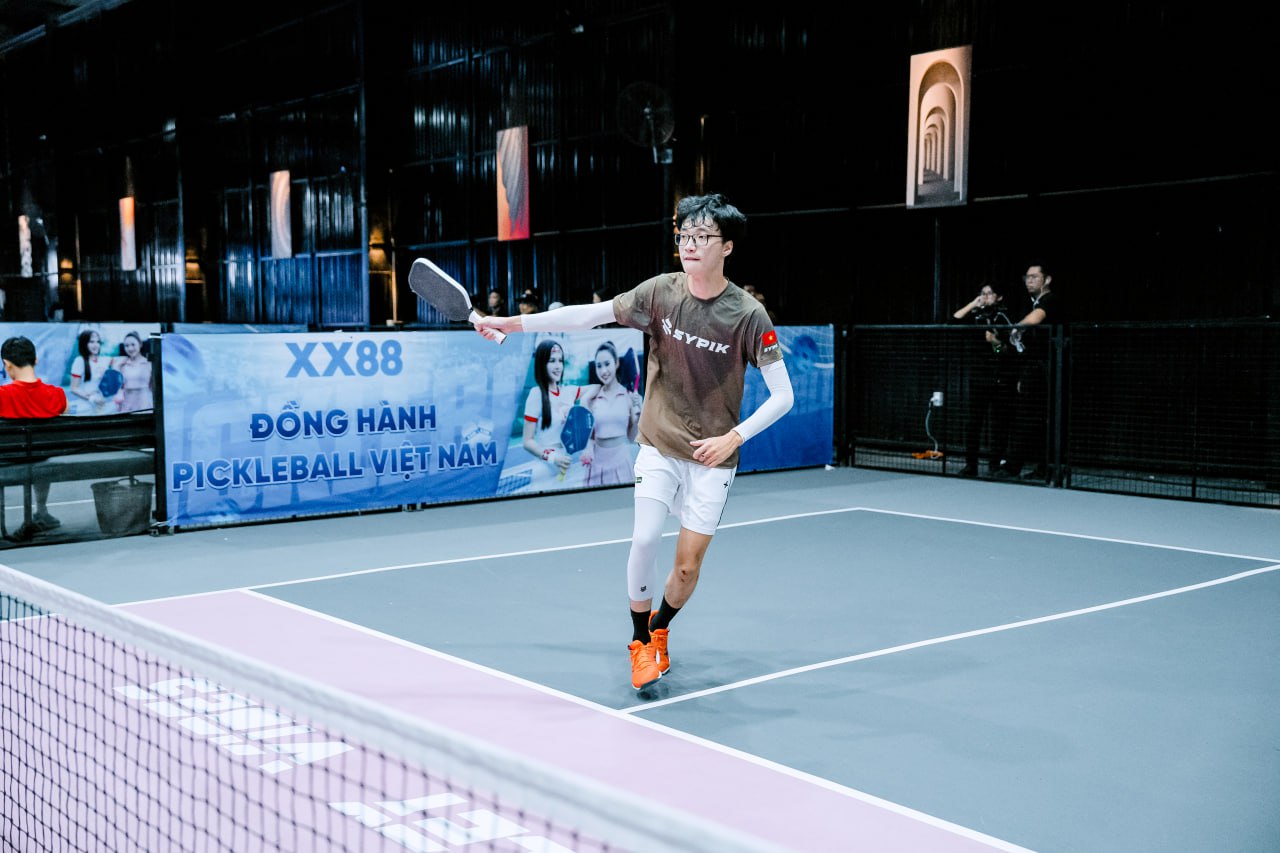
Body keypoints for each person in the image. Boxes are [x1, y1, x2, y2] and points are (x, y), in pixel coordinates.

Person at [474, 192, 795, 692]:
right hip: (658, 444)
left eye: (702, 236)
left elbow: (783, 396)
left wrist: (733, 437)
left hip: (713, 457)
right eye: (684, 235)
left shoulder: (749, 315)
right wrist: (512, 325)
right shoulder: (659, 293)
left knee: (685, 570)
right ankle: (640, 640)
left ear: (727, 246)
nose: (689, 245)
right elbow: (589, 316)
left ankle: (661, 627)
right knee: (644, 539)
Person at [0, 335, 69, 539]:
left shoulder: (2, 395)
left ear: (7, 364)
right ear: (36, 360)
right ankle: (41, 510)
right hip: (42, 459)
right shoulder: (58, 395)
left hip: (9, 462)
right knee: (39, 456)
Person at [1001, 262, 1062, 482]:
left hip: (1049, 369)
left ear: (1047, 280)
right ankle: (1022, 466)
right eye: (1027, 277)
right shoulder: (1030, 304)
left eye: (1034, 277)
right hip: (1034, 369)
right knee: (1030, 418)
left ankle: (1039, 468)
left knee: (1040, 419)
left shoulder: (1050, 300)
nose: (1029, 281)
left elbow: (1036, 318)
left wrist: (1017, 328)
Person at [951, 283, 1016, 477]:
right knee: (973, 423)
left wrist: (995, 343)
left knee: (998, 424)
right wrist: (973, 304)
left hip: (999, 380)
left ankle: (994, 465)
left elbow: (1008, 351)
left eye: (990, 293)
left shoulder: (1003, 317)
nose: (986, 296)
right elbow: (953, 321)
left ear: (999, 297)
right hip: (978, 379)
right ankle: (970, 465)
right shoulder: (976, 317)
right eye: (983, 293)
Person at [520, 339, 589, 480]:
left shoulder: (567, 392)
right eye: (552, 361)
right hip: (544, 469)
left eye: (560, 361)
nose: (558, 366)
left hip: (566, 463)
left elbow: (597, 388)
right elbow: (527, 442)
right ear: (542, 364)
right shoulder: (536, 394)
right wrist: (552, 457)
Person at [580, 340, 642, 486]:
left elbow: (632, 437)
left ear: (616, 363)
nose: (603, 371)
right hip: (596, 463)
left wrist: (639, 414)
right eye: (599, 366)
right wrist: (587, 449)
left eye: (607, 364)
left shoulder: (629, 396)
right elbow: (589, 436)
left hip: (621, 461)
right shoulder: (592, 397)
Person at [111, 331, 153, 412]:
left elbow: (153, 387)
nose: (130, 348)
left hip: (144, 405)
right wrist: (116, 367)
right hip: (126, 406)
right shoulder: (122, 364)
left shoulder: (149, 363)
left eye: (133, 345)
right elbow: (114, 387)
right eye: (126, 346)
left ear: (140, 344)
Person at [69, 329, 109, 413]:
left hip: (101, 405)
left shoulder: (103, 360)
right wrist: (92, 398)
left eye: (98, 342)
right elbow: (74, 388)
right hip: (85, 407)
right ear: (84, 344)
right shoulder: (79, 361)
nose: (96, 345)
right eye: (91, 342)